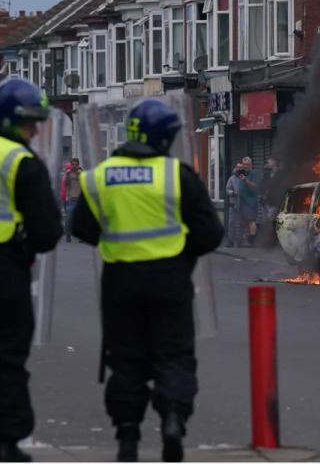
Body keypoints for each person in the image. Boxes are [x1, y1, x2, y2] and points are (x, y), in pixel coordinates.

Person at [72, 98, 223, 462]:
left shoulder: (99, 177)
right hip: (170, 279)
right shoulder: (177, 176)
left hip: (120, 280)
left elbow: (80, 228)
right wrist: (182, 251)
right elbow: (210, 233)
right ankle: (172, 418)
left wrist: (115, 237)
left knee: (126, 359)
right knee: (173, 355)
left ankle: (127, 434)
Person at [0, 78, 62, 462]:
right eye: (30, 122)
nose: (35, 130)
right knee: (7, 361)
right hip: (5, 272)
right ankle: (6, 445)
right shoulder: (21, 162)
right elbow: (49, 232)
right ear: (9, 120)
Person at [238, 156, 260, 247]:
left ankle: (252, 241)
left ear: (251, 165)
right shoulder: (242, 173)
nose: (245, 166)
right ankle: (248, 237)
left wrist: (246, 181)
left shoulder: (253, 174)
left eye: (247, 164)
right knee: (244, 220)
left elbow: (254, 187)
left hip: (250, 202)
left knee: (251, 220)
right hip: (242, 201)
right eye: (244, 164)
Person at [225, 163, 244, 247]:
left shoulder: (244, 178)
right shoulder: (231, 179)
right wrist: (233, 192)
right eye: (238, 167)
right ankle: (230, 241)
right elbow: (227, 189)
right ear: (235, 168)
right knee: (231, 223)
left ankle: (240, 241)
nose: (239, 169)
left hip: (242, 204)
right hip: (233, 204)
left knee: (241, 223)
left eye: (241, 168)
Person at [63, 158, 82, 243]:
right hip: (71, 199)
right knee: (69, 219)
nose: (74, 166)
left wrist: (81, 175)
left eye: (76, 164)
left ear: (78, 165)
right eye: (73, 164)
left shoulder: (82, 173)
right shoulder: (69, 174)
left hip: (80, 199)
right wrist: (67, 175)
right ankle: (68, 235)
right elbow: (65, 184)